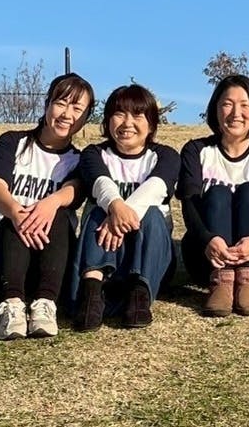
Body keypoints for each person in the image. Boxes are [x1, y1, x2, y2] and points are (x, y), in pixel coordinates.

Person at [0, 73, 95, 340]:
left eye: (77, 108)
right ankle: (12, 305)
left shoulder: (80, 160)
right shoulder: (12, 142)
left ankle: (45, 305)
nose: (67, 114)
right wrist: (17, 213)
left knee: (54, 213)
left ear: (86, 117)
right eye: (61, 103)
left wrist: (50, 203)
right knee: (18, 215)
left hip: (48, 266)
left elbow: (73, 190)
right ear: (47, 104)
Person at [177, 74, 249, 317]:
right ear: (215, 109)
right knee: (218, 193)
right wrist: (209, 240)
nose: (236, 113)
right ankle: (222, 280)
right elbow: (189, 205)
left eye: (245, 105)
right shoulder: (196, 150)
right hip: (206, 255)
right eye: (227, 104)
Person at [70, 84, 179, 330]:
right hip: (104, 255)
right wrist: (114, 207)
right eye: (119, 114)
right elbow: (100, 183)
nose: (127, 122)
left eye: (138, 115)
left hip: (150, 259)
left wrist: (118, 216)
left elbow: (157, 186)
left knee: (151, 213)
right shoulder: (93, 154)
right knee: (100, 210)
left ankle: (139, 294)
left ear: (151, 124)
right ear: (107, 121)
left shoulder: (166, 156)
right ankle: (91, 291)